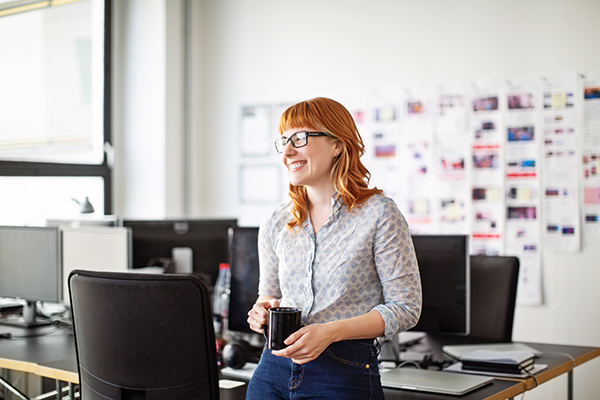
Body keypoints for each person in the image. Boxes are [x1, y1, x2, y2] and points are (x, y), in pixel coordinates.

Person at [246, 97, 422, 400]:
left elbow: (405, 308)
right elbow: (269, 295)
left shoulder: (379, 214)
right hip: (272, 370)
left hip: (343, 371)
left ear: (337, 144)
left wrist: (330, 331)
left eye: (299, 138)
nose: (287, 152)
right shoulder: (276, 222)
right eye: (284, 141)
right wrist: (261, 310)